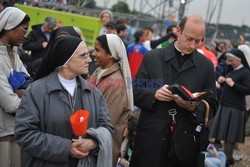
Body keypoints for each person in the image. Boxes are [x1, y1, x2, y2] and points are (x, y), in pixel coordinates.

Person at [130, 13, 218, 167]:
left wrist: (193, 106)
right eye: (189, 38)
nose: (192, 45)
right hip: (151, 136)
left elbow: (213, 105)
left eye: (198, 41)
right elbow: (135, 92)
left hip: (185, 141)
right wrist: (155, 94)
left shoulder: (206, 66)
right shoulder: (153, 57)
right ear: (178, 30)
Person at [14, 36, 114, 167]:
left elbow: (107, 127)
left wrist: (94, 142)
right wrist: (66, 148)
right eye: (83, 56)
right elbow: (24, 133)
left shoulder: (93, 92)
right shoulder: (36, 91)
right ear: (66, 60)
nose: (89, 60)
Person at [89, 34, 133, 167]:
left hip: (101, 148)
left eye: (98, 50)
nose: (93, 54)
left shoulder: (115, 83)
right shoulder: (99, 72)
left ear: (111, 54)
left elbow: (106, 121)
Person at [0, 7, 30, 167]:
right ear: (9, 26)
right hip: (2, 132)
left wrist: (23, 92)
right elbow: (9, 103)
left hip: (16, 128)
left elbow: (30, 86)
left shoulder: (14, 54)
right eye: (24, 30)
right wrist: (31, 105)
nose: (25, 35)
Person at [210, 48, 250, 166]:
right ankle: (228, 158)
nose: (229, 62)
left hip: (236, 107)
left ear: (239, 60)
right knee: (225, 134)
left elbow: (248, 89)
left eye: (231, 60)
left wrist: (234, 85)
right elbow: (229, 84)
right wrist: (222, 81)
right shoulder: (233, 70)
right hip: (227, 104)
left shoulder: (246, 72)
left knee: (230, 136)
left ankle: (228, 159)